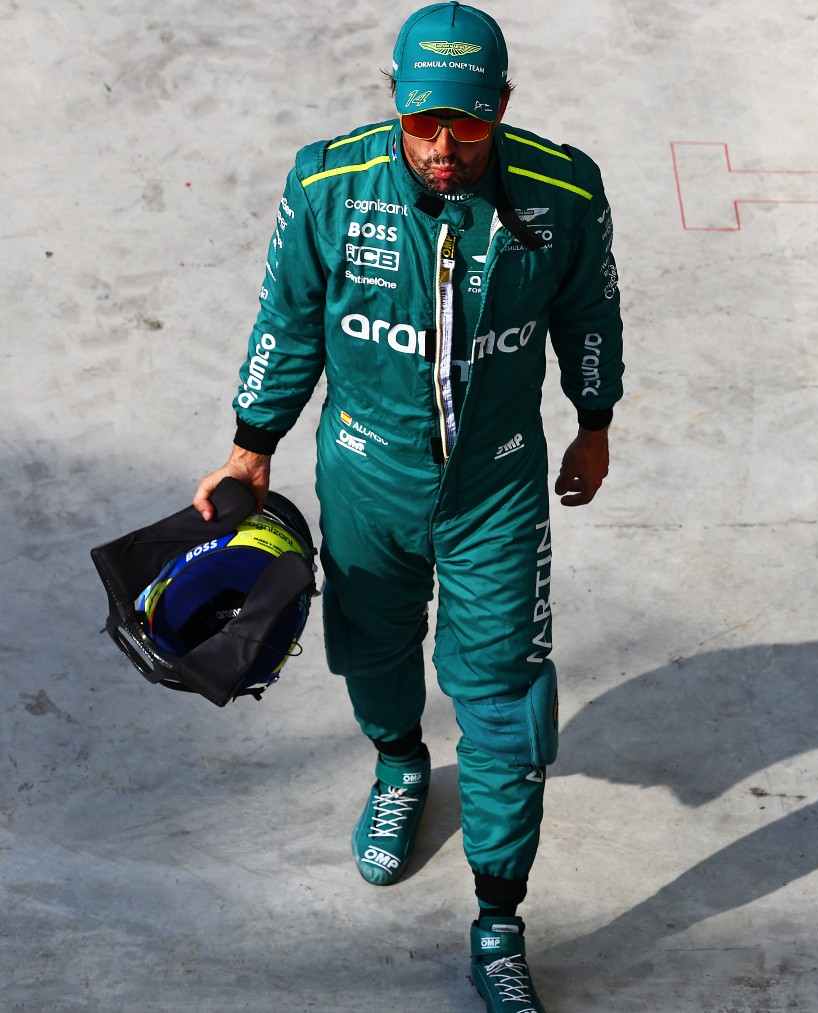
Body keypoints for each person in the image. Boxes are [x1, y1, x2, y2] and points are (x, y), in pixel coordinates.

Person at [192, 4, 622, 1008]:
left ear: (501, 110)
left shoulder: (563, 190)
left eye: (466, 128)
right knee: (372, 650)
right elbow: (287, 316)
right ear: (395, 105)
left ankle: (500, 921)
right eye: (424, 125)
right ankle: (397, 769)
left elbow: (591, 309)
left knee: (509, 707)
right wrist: (251, 442)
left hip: (496, 489)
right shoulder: (328, 184)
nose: (442, 149)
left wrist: (593, 420)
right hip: (365, 477)